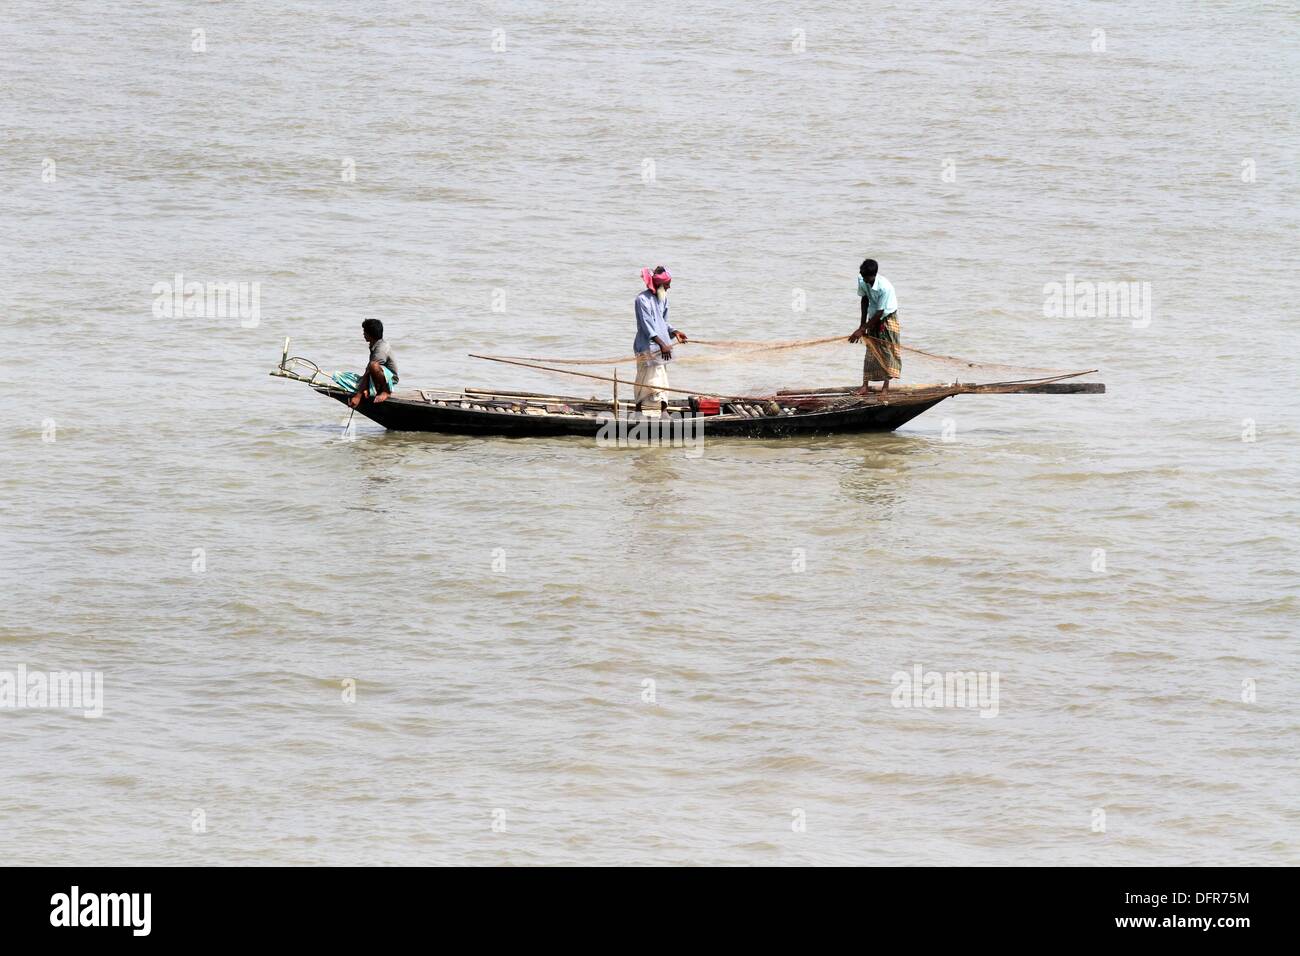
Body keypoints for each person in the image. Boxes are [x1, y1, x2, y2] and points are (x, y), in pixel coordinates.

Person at [632, 266, 687, 415]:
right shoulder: (641, 300)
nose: (669, 287)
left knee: (661, 378)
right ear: (660, 284)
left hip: (663, 347)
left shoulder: (663, 298)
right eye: (667, 284)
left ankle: (663, 411)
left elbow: (663, 321)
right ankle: (638, 410)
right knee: (644, 378)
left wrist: (675, 332)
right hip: (646, 346)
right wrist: (662, 344)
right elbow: (646, 324)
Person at [848, 258, 901, 396]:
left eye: (866, 277)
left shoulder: (885, 287)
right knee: (870, 352)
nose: (864, 280)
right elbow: (864, 300)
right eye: (862, 275)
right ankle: (864, 386)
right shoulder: (862, 279)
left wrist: (862, 329)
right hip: (873, 317)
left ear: (873, 276)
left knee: (887, 352)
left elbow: (880, 312)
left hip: (887, 318)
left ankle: (885, 387)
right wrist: (862, 326)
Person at [347, 318, 399, 408]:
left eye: (365, 332)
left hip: (389, 380)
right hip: (378, 378)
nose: (363, 334)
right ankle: (373, 389)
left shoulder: (381, 348)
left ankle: (386, 391)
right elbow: (369, 371)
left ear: (371, 334)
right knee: (341, 376)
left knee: (373, 365)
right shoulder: (373, 344)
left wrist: (358, 396)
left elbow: (370, 369)